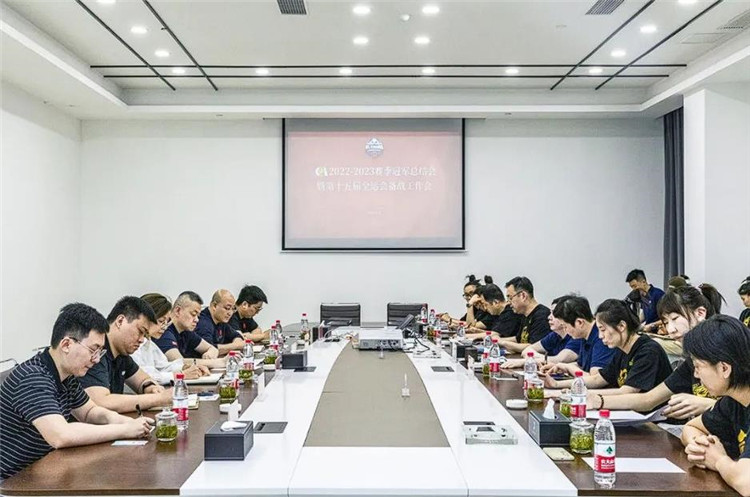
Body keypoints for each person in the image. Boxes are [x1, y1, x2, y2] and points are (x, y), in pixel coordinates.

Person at [0, 303, 152, 479]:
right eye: (93, 350)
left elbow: (89, 412)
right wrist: (125, 430)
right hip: (12, 482)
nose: (96, 360)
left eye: (100, 352)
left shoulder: (66, 376)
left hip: (44, 469)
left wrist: (124, 421)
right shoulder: (32, 377)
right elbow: (61, 435)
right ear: (66, 344)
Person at [585, 284, 725, 419]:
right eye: (666, 322)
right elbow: (649, 399)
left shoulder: (726, 346)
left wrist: (709, 405)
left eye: (675, 319)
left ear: (700, 313)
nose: (670, 330)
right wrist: (598, 400)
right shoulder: (691, 361)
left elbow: (739, 404)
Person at [544, 299, 672, 402]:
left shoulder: (648, 351)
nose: (600, 336)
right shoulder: (622, 350)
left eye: (603, 330)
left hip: (658, 420)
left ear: (621, 326)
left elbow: (627, 392)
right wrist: (556, 385)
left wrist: (577, 393)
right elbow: (598, 379)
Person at [680, 316, 750, 497]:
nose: (696, 375)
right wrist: (699, 447)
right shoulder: (733, 401)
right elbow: (691, 427)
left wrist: (718, 460)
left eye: (698, 366)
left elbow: (747, 484)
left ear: (724, 368)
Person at [79, 296, 173, 414]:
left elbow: (143, 380)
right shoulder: (96, 350)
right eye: (140, 331)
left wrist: (151, 387)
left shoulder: (121, 354)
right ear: (120, 321)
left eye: (145, 335)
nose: (141, 340)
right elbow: (101, 402)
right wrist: (158, 398)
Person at [130, 293, 209, 384]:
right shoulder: (133, 344)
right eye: (161, 321)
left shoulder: (149, 343)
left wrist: (185, 367)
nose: (165, 327)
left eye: (166, 322)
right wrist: (182, 374)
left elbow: (163, 366)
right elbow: (145, 376)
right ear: (144, 318)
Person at [542, 295, 614, 377]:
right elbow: (581, 365)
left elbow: (595, 378)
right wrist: (560, 366)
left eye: (565, 326)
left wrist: (568, 367)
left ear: (579, 322)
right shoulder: (584, 335)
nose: (565, 330)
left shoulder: (601, 337)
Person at [500, 296, 581, 368]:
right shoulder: (555, 335)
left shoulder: (577, 337)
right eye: (551, 313)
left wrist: (527, 360)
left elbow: (559, 360)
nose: (549, 317)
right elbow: (527, 350)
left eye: (555, 314)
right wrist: (541, 358)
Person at [153, 291, 225, 369]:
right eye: (193, 314)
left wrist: (209, 354)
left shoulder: (186, 331)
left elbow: (213, 349)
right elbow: (178, 363)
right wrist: (218, 362)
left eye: (198, 316)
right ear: (177, 311)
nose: (197, 320)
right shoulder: (164, 331)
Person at [496, 276, 552, 353]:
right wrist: (496, 340)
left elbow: (534, 346)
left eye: (510, 298)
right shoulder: (525, 315)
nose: (508, 302)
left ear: (523, 296)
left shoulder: (542, 316)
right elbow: (518, 339)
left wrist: (503, 343)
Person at [195, 289, 244, 355]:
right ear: (214, 306)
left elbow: (236, 335)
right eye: (227, 308)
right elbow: (209, 349)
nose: (230, 313)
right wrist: (236, 346)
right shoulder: (203, 323)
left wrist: (236, 344)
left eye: (233, 309)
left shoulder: (221, 320)